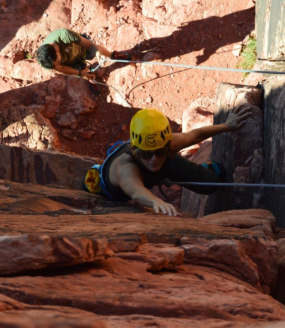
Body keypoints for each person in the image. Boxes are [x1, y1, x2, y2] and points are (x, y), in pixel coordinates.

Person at [93, 105, 251, 216]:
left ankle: (204, 168)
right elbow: (136, 191)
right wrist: (156, 202)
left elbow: (196, 135)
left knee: (211, 185)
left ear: (167, 145)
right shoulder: (125, 167)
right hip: (114, 195)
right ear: (136, 151)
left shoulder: (169, 145)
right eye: (147, 154)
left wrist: (227, 125)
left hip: (166, 167)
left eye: (160, 152)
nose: (154, 159)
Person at [36, 28, 131, 92]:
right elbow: (61, 69)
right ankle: (89, 77)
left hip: (81, 49)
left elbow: (90, 45)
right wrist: (79, 74)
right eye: (55, 65)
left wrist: (97, 53)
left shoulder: (65, 35)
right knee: (81, 71)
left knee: (97, 50)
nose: (56, 65)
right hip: (71, 62)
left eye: (57, 62)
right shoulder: (46, 62)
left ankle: (112, 55)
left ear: (56, 51)